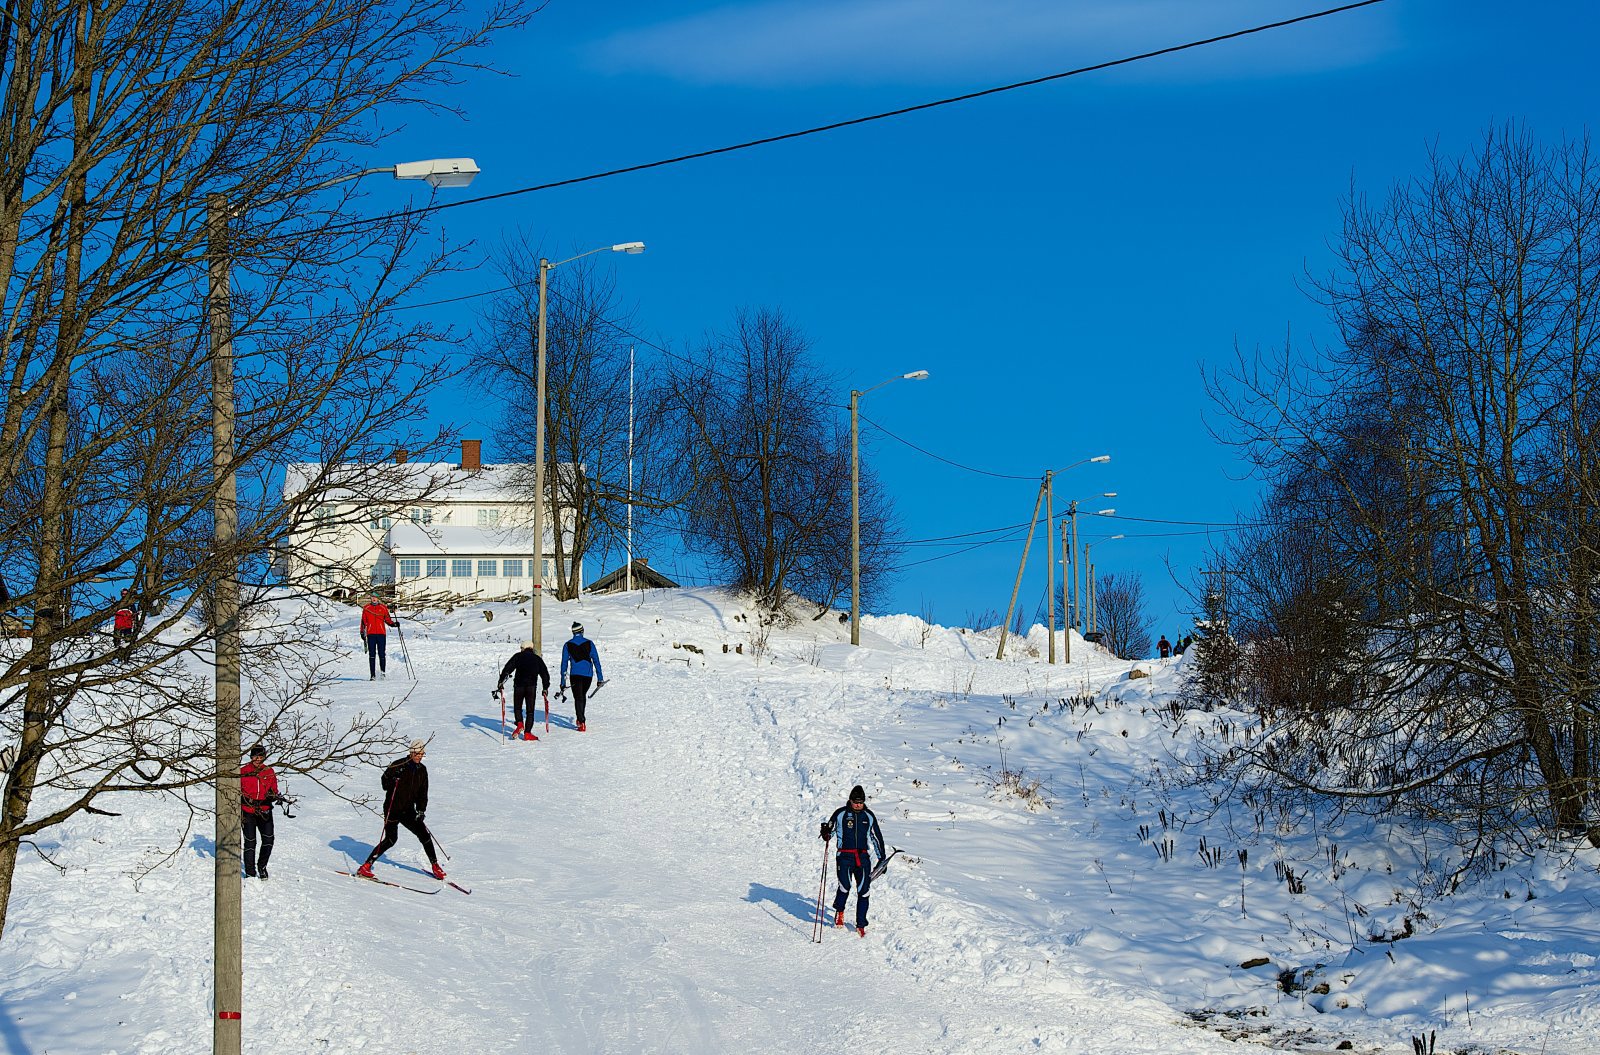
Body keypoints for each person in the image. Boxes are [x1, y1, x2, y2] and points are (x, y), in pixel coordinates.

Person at [357, 739, 445, 880]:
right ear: (411, 752)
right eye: (417, 753)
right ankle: (366, 866)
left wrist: (421, 810)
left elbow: (423, 792)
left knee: (424, 835)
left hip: (408, 810)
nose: (419, 756)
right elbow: (384, 783)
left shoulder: (422, 770)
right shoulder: (399, 765)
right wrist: (393, 780)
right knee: (391, 839)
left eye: (422, 753)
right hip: (393, 808)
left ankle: (435, 866)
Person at [820, 784, 886, 937]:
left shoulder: (868, 816)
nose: (858, 805)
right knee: (845, 886)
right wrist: (826, 834)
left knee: (864, 890)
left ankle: (861, 923)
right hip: (844, 856)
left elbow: (876, 837)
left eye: (861, 802)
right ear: (850, 800)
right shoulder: (840, 814)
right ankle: (840, 911)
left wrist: (881, 858)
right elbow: (831, 832)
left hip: (862, 858)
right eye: (855, 802)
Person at [241, 744, 281, 880]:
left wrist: (275, 796)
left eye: (260, 756)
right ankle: (250, 872)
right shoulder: (243, 771)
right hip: (248, 810)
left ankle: (262, 866)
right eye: (255, 756)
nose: (258, 759)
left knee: (269, 839)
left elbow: (274, 789)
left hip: (264, 810)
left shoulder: (269, 771)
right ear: (251, 757)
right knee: (250, 841)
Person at [497, 640, 550, 741]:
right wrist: (545, 688)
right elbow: (544, 674)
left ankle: (520, 723)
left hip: (519, 686)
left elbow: (508, 669)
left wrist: (501, 682)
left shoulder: (517, 656)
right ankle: (527, 733)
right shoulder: (537, 659)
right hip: (531, 687)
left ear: (523, 648)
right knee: (530, 711)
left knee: (518, 707)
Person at [559, 621, 605, 732]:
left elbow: (564, 664)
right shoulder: (590, 643)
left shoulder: (567, 645)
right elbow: (596, 661)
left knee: (578, 697)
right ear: (582, 631)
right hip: (588, 676)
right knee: (582, 695)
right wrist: (600, 678)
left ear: (573, 633)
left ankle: (581, 721)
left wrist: (562, 682)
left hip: (575, 675)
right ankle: (581, 719)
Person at [359, 594, 399, 680]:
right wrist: (362, 632)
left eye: (375, 597)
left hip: (381, 634)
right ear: (370, 598)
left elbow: (387, 619)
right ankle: (372, 675)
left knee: (382, 654)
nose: (374, 599)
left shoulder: (383, 608)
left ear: (378, 598)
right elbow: (363, 621)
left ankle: (382, 674)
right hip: (371, 634)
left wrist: (393, 624)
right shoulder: (366, 608)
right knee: (372, 655)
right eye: (372, 597)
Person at [113, 589, 136, 654]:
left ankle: (129, 651)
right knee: (117, 641)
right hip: (119, 625)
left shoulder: (131, 604)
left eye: (125, 594)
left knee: (128, 640)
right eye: (123, 594)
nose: (124, 595)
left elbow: (134, 613)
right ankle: (116, 652)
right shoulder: (118, 604)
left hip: (127, 625)